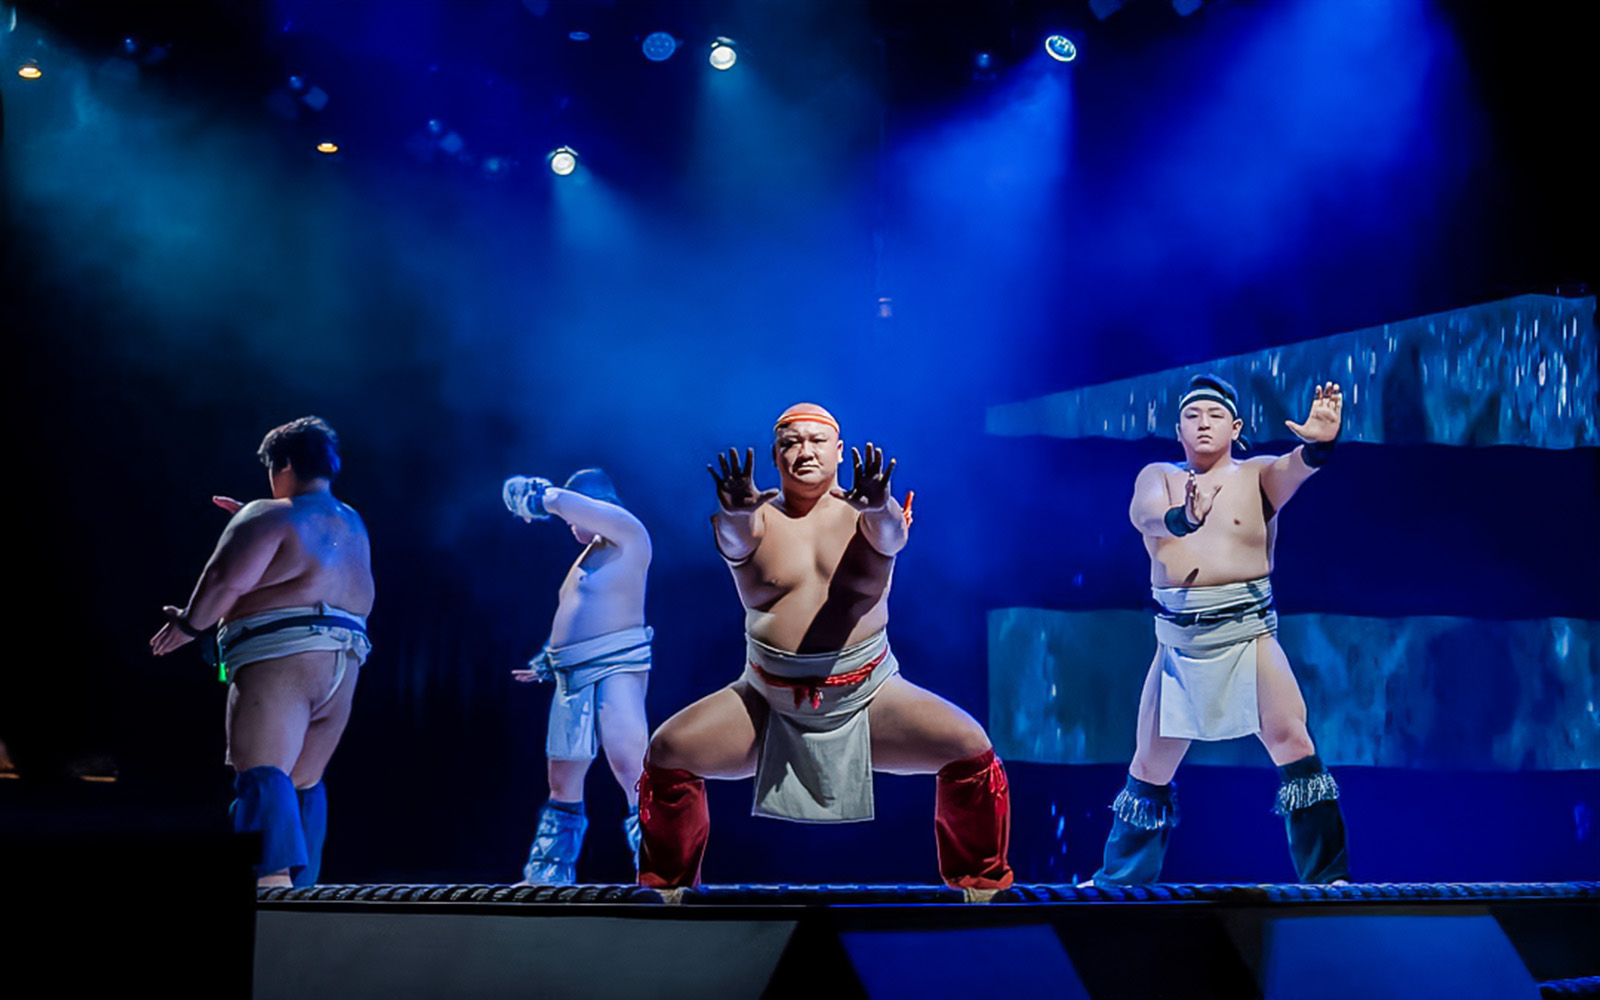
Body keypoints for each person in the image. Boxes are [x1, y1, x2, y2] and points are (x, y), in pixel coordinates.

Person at [637, 403, 1012, 896]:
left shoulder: (871, 514)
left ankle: (982, 887)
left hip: (867, 694)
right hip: (767, 699)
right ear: (775, 455)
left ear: (839, 451)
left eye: (816, 441)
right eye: (791, 442)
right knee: (668, 751)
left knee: (970, 749)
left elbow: (891, 536)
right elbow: (734, 541)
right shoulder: (755, 518)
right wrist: (732, 512)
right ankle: (666, 890)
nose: (804, 451)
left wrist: (879, 506)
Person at [1091, 375, 1351, 886]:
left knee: (1294, 742)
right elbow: (1144, 516)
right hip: (1179, 645)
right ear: (1178, 428)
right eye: (1192, 415)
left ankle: (1328, 878)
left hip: (1248, 635)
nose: (1203, 423)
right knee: (1149, 766)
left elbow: (1295, 469)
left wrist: (1318, 445)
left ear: (1235, 427)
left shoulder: (1255, 475)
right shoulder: (1160, 476)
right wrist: (1183, 517)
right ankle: (1120, 883)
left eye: (1214, 415)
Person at [151, 416, 373, 888]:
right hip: (343, 664)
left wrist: (191, 624)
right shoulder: (351, 521)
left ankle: (270, 900)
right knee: (303, 783)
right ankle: (306, 899)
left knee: (264, 776)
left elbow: (224, 579)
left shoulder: (267, 513)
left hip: (284, 661)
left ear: (284, 464)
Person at [503, 469, 652, 884]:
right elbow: (576, 611)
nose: (571, 525)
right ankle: (548, 874)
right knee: (563, 776)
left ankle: (662, 866)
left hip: (617, 665)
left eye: (575, 516)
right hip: (572, 675)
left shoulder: (629, 533)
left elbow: (571, 506)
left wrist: (539, 497)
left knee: (630, 765)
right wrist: (548, 660)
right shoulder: (588, 556)